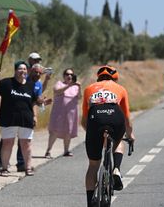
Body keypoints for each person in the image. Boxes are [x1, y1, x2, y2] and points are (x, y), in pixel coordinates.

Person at [81, 65, 135, 207]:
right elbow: (127, 118)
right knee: (118, 141)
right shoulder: (120, 89)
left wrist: (93, 135)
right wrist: (130, 135)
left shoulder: (88, 89)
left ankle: (90, 202)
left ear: (98, 78)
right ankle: (116, 169)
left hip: (95, 118)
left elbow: (84, 120)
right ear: (115, 79)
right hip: (114, 116)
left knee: (93, 165)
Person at [0, 60, 38, 177]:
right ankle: (4, 168)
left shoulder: (30, 84)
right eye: (20, 69)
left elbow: (33, 101)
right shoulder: (6, 83)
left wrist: (35, 116)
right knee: (7, 143)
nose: (22, 71)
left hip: (26, 119)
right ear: (15, 70)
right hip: (9, 118)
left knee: (26, 144)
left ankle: (28, 168)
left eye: (25, 69)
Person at [45, 68, 81, 158]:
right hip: (59, 112)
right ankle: (48, 151)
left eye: (71, 75)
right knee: (55, 131)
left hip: (71, 114)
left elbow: (79, 97)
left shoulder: (76, 86)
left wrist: (79, 87)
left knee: (68, 131)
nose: (69, 76)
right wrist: (69, 85)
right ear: (64, 75)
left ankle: (66, 150)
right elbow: (57, 91)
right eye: (67, 74)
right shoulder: (59, 84)